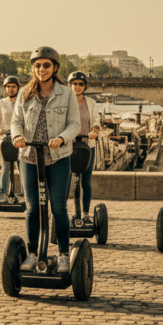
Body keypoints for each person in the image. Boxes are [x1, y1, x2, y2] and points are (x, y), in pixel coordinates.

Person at [10, 47, 80, 273]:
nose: (42, 69)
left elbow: (74, 125)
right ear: (33, 68)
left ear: (55, 67)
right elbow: (16, 121)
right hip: (29, 157)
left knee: (58, 208)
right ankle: (32, 253)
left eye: (46, 65)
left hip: (57, 157)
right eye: (37, 65)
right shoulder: (24, 93)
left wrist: (61, 138)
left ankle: (63, 254)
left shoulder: (67, 93)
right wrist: (17, 136)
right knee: (31, 209)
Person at [67, 71, 100, 221]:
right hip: (68, 147)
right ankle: (64, 211)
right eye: (75, 84)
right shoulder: (65, 102)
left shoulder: (91, 102)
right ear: (70, 85)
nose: (77, 87)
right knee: (67, 181)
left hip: (87, 147)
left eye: (80, 84)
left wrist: (95, 130)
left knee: (86, 182)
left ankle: (85, 213)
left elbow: (96, 121)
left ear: (85, 86)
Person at [0, 76, 20, 201]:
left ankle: (24, 194)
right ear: (5, 88)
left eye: (13, 86)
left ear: (17, 88)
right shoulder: (1, 103)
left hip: (19, 139)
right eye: (8, 87)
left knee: (22, 166)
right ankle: (3, 194)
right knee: (5, 168)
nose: (11, 89)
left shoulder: (22, 102)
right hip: (5, 139)